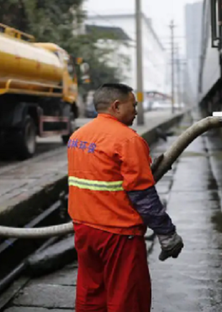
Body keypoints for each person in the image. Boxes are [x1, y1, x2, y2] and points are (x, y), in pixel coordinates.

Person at [67, 83, 184, 311]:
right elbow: (143, 195)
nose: (137, 112)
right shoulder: (127, 140)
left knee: (91, 294)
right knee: (128, 298)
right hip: (118, 234)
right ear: (117, 106)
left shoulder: (77, 137)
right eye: (134, 105)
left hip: (84, 229)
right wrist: (167, 233)